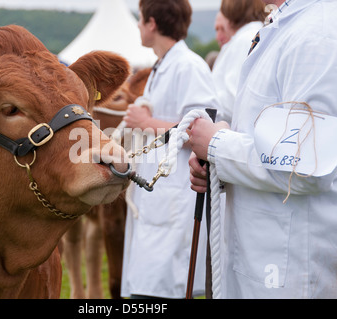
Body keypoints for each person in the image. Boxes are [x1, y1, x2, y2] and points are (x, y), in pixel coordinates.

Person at [189, 0, 337, 298]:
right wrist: (219, 166)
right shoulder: (294, 25)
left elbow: (306, 165)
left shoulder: (319, 35)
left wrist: (217, 146)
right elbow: (270, 138)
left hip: (294, 272)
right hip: (268, 263)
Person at [121, 0, 219, 299]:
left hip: (175, 202)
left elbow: (202, 130)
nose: (138, 25)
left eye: (140, 19)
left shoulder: (189, 66)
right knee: (145, 291)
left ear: (152, 23)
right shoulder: (160, 67)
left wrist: (146, 121)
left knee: (159, 294)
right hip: (155, 200)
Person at [212, 0, 267, 124]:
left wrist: (205, 104)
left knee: (159, 141)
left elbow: (233, 101)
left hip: (229, 130)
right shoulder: (257, 33)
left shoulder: (243, 41)